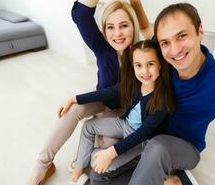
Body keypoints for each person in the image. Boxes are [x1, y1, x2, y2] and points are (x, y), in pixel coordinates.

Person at [90, 0, 215, 185]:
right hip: (150, 139)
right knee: (98, 175)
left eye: (182, 36)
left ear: (200, 32)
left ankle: (166, 173)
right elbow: (147, 30)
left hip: (181, 148)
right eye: (165, 42)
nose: (175, 50)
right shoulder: (162, 60)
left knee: (158, 147)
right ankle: (165, 179)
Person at [27, 0, 142, 184]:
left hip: (127, 113)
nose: (118, 34)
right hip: (103, 101)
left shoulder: (142, 54)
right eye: (110, 27)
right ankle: (42, 166)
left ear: (133, 26)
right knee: (72, 109)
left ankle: (89, 156)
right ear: (104, 30)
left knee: (109, 144)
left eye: (124, 25)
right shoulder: (102, 48)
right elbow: (81, 13)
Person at [69, 40, 175, 184]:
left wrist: (110, 152)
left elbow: (144, 132)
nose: (144, 71)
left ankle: (155, 175)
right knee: (89, 126)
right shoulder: (135, 84)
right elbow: (107, 92)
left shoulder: (163, 98)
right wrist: (75, 99)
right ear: (133, 66)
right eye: (139, 65)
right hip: (123, 123)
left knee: (101, 164)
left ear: (160, 65)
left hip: (140, 141)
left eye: (150, 64)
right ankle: (79, 168)